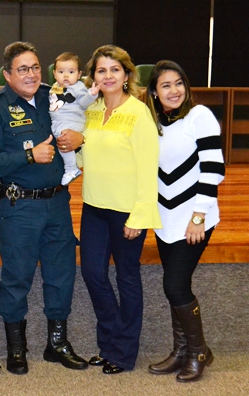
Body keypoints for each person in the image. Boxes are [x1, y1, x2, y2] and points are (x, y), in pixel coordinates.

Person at [0, 41, 88, 375]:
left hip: (58, 203)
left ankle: (57, 343)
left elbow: (88, 117)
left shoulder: (54, 97)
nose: (31, 74)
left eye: (36, 67)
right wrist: (29, 155)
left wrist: (81, 138)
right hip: (19, 206)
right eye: (23, 69)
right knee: (17, 277)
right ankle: (16, 347)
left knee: (61, 274)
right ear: (8, 74)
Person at [59, 45, 162, 374]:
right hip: (94, 207)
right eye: (101, 71)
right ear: (93, 77)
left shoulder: (139, 113)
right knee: (93, 274)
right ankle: (110, 343)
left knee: (127, 278)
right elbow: (85, 156)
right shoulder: (91, 109)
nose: (108, 76)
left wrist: (139, 216)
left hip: (127, 211)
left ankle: (122, 352)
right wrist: (71, 146)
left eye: (114, 70)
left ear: (127, 74)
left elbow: (148, 168)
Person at [145, 60, 225, 382]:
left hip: (194, 219)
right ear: (154, 92)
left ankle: (198, 352)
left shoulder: (199, 115)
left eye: (179, 83)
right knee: (177, 287)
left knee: (174, 286)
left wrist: (198, 216)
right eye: (165, 85)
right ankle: (181, 351)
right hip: (164, 220)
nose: (174, 90)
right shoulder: (153, 123)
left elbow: (213, 169)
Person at [48, 52, 98, 185]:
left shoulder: (78, 87)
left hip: (72, 122)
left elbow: (83, 102)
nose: (66, 75)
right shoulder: (55, 87)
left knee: (64, 139)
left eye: (71, 72)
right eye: (61, 72)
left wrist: (91, 94)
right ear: (54, 74)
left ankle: (71, 169)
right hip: (60, 122)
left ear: (79, 74)